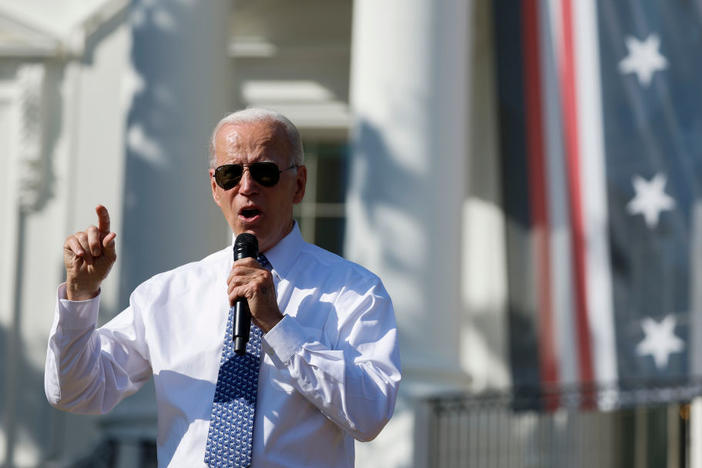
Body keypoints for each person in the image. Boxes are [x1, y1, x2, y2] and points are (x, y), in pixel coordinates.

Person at [44, 108, 401, 467]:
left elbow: (369, 414)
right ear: (216, 188)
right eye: (231, 174)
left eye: (265, 171)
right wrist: (80, 296)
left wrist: (279, 327)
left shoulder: (353, 290)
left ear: (299, 184)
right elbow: (75, 392)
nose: (247, 186)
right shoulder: (167, 295)